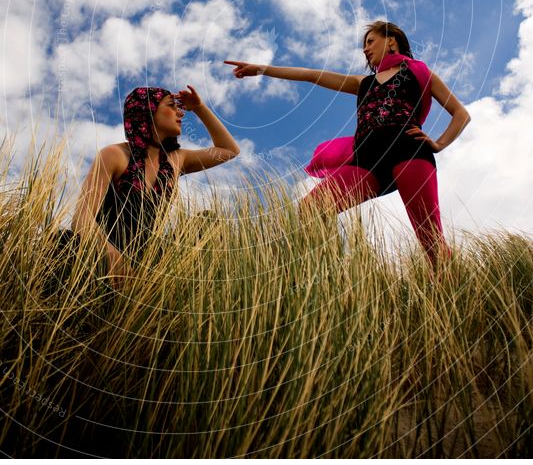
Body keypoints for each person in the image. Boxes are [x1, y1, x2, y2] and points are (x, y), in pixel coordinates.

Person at [225, 21, 470, 265]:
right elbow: (312, 76)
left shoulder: (421, 74)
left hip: (409, 153)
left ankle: (448, 291)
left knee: (431, 241)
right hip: (367, 161)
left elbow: (461, 114)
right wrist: (261, 69)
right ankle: (327, 271)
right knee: (310, 209)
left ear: (391, 40)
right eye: (364, 45)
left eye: (370, 41)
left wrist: (439, 143)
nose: (365, 49)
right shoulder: (361, 83)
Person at [71, 85, 239, 288]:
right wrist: (110, 255)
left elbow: (229, 150)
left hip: (147, 254)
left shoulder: (178, 159)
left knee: (209, 222)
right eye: (171, 106)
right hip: (100, 251)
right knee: (63, 244)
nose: (181, 112)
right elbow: (82, 218)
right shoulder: (114, 154)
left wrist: (199, 107)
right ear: (147, 111)